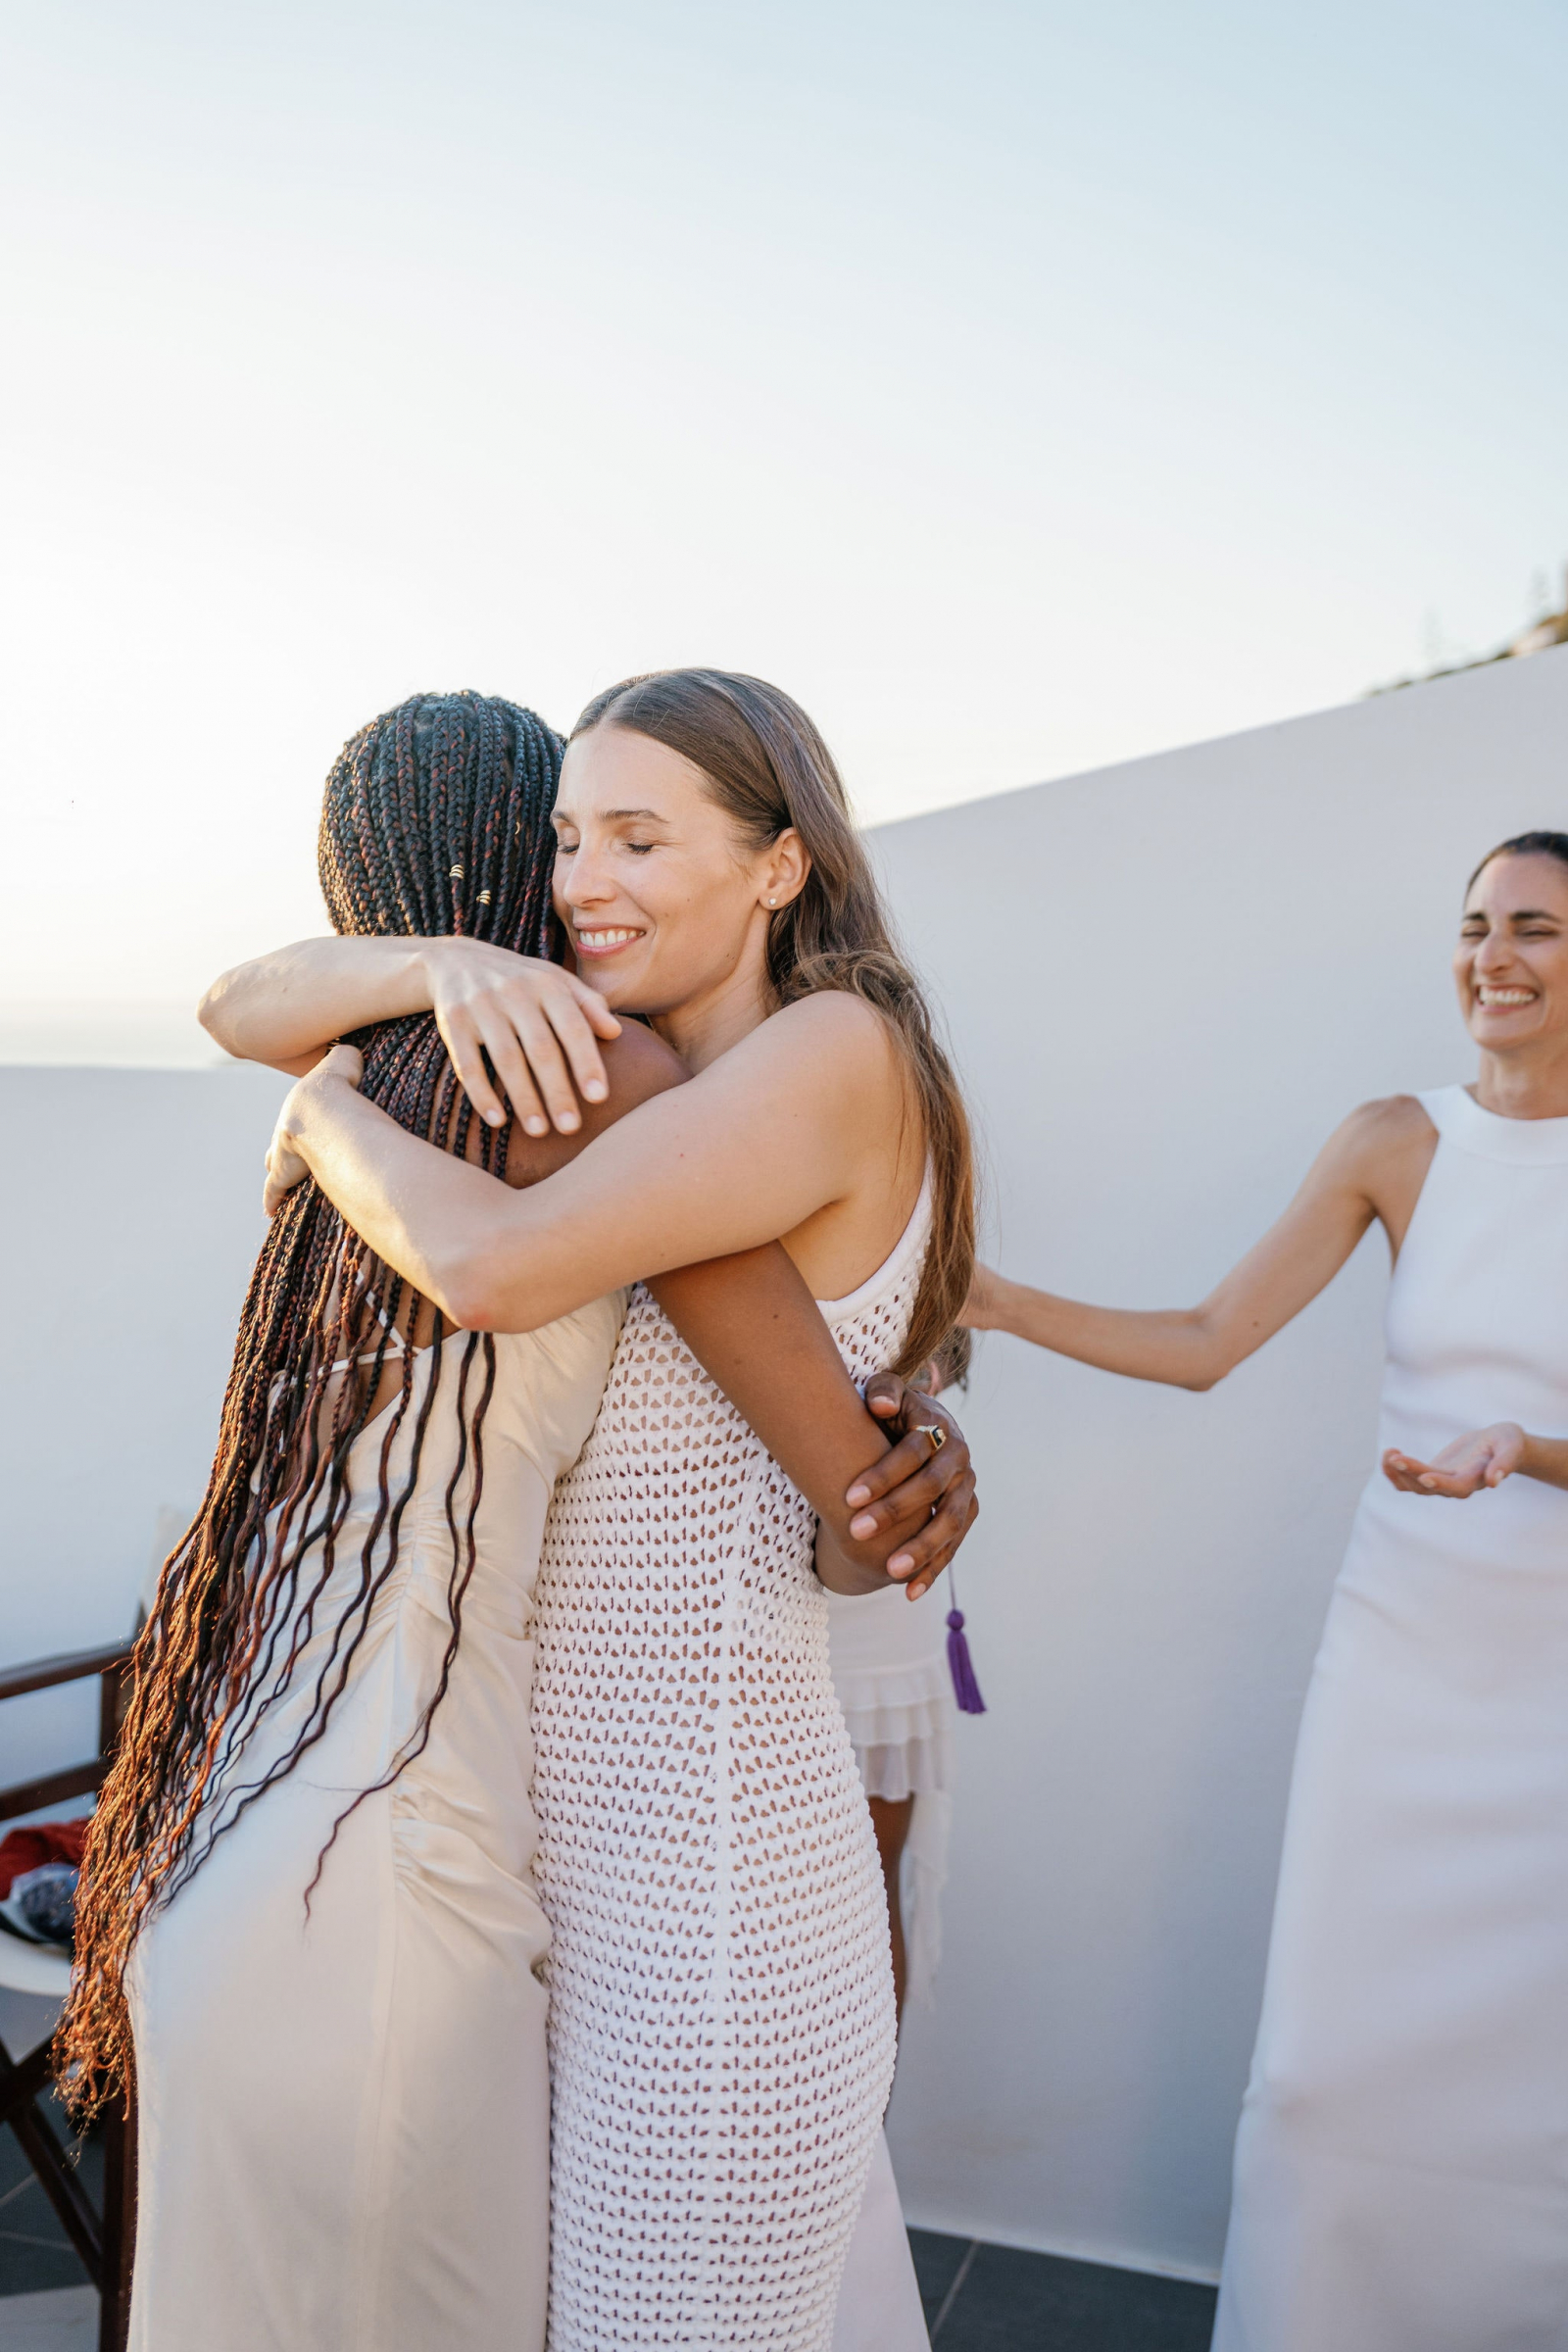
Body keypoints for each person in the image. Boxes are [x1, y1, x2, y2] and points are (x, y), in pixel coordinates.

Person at [62, 690, 974, 2352]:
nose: (584, 879)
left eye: (641, 836)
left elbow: (493, 1277)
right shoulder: (612, 1080)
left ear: (782, 867)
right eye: (567, 838)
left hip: (711, 1890)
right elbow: (236, 998)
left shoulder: (791, 1058)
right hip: (558, 1882)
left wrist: (326, 1118)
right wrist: (437, 969)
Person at [965, 829, 1568, 2352]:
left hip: (1551, 1673)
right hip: (1403, 1653)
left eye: (1538, 930)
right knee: (1324, 2067)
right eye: (1477, 923)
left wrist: (1530, 1449)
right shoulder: (1394, 1140)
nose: (1494, 956)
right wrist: (1000, 1301)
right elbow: (1208, 1336)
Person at [828, 1336, 970, 2021]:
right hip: (693, 1528)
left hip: (877, 1503)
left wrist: (926, 1364)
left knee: (865, 1882)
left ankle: (864, 2127)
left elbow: (954, 1300)